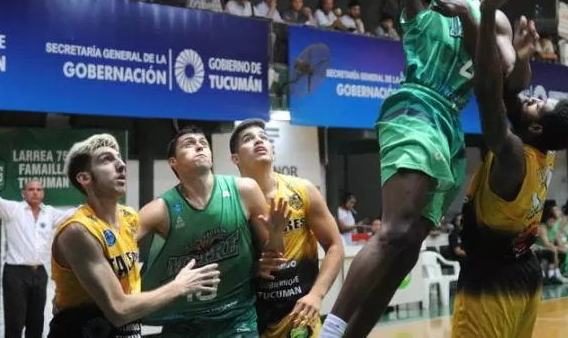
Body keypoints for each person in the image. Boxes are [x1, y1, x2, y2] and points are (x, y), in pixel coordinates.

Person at [263, 0, 533, 338]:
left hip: (449, 126)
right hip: (416, 105)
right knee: (395, 229)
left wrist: (482, 23)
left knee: (409, 244)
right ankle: (323, 331)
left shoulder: (493, 16)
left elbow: (506, 77)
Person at [449, 0, 568, 338]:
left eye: (540, 105)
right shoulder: (542, 150)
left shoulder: (512, 154)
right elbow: (513, 100)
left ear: (537, 127)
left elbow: (490, 92)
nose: (534, 99)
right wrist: (522, 59)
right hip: (523, 272)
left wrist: (486, 13)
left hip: (492, 280)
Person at [47, 133, 221, 337]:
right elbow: (120, 310)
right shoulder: (78, 231)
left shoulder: (128, 217)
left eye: (119, 157)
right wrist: (180, 286)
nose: (121, 164)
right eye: (107, 159)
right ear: (85, 178)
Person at [138, 127, 288, 338]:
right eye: (189, 144)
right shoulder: (160, 209)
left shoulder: (244, 190)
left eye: (203, 143)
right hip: (184, 319)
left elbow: (274, 255)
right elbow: (118, 248)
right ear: (174, 162)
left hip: (236, 317)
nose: (199, 145)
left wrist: (277, 234)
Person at [229, 119, 345, 338]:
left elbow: (335, 246)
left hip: (300, 316)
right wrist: (253, 269)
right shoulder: (229, 202)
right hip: (251, 319)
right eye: (248, 139)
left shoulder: (302, 190)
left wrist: (316, 295)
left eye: (263, 137)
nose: (258, 141)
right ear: (235, 158)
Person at [0, 162, 77, 338]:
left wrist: (95, 199)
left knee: (36, 325)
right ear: (23, 193)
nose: (35, 192)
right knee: (15, 325)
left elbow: (72, 215)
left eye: (39, 189)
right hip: (16, 274)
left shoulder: (49, 213)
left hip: (39, 273)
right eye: (31, 189)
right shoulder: (14, 210)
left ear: (43, 193)